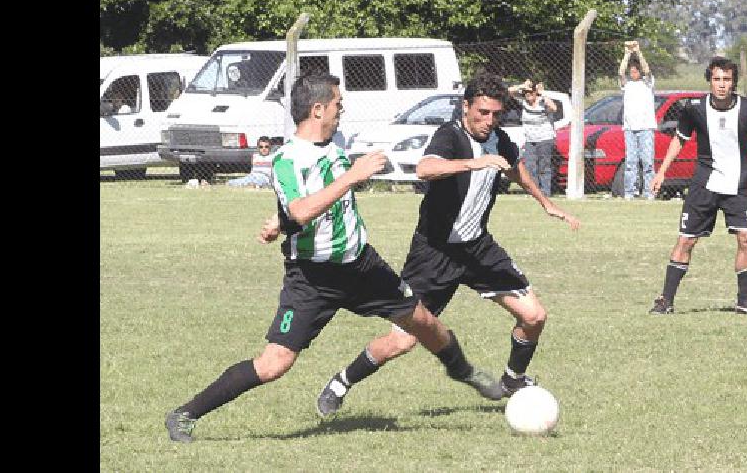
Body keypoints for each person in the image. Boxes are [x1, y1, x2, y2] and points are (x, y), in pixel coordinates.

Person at [164, 73, 504, 443]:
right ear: (318, 109)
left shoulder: (333, 145)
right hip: (313, 278)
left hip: (362, 266)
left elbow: (306, 208)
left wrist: (280, 222)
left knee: (423, 320)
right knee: (274, 363)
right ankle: (184, 414)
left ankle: (464, 372)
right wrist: (346, 180)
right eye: (338, 104)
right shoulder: (286, 160)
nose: (342, 110)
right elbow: (303, 209)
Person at [314, 72, 581, 417]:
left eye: (495, 114)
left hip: (478, 250)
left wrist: (546, 203)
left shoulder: (498, 139)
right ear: (465, 106)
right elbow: (425, 169)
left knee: (535, 316)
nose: (488, 121)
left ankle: (513, 379)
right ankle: (341, 382)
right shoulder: (450, 136)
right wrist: (475, 162)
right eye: (482, 112)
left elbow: (516, 168)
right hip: (434, 255)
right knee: (403, 340)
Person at [648, 56, 747, 316]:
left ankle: (744, 300)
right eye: (717, 79)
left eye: (727, 79)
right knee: (686, 241)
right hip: (704, 185)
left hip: (739, 185)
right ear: (710, 81)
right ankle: (665, 300)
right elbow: (678, 140)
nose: (722, 85)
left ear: (734, 82)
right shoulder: (695, 110)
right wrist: (661, 172)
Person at [618, 40, 657, 200]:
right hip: (629, 129)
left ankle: (649, 192)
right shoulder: (627, 85)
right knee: (631, 162)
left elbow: (647, 70)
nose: (633, 73)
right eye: (631, 71)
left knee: (647, 162)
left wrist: (638, 52)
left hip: (646, 128)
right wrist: (627, 54)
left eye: (635, 71)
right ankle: (630, 192)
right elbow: (620, 72)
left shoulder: (647, 83)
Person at [507, 79, 558, 196]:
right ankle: (534, 191)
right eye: (526, 93)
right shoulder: (523, 103)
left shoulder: (542, 102)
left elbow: (554, 108)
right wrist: (522, 85)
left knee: (544, 166)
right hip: (530, 139)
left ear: (536, 93)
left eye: (531, 92)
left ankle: (545, 191)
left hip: (545, 139)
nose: (528, 95)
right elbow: (508, 91)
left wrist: (542, 94)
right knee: (530, 166)